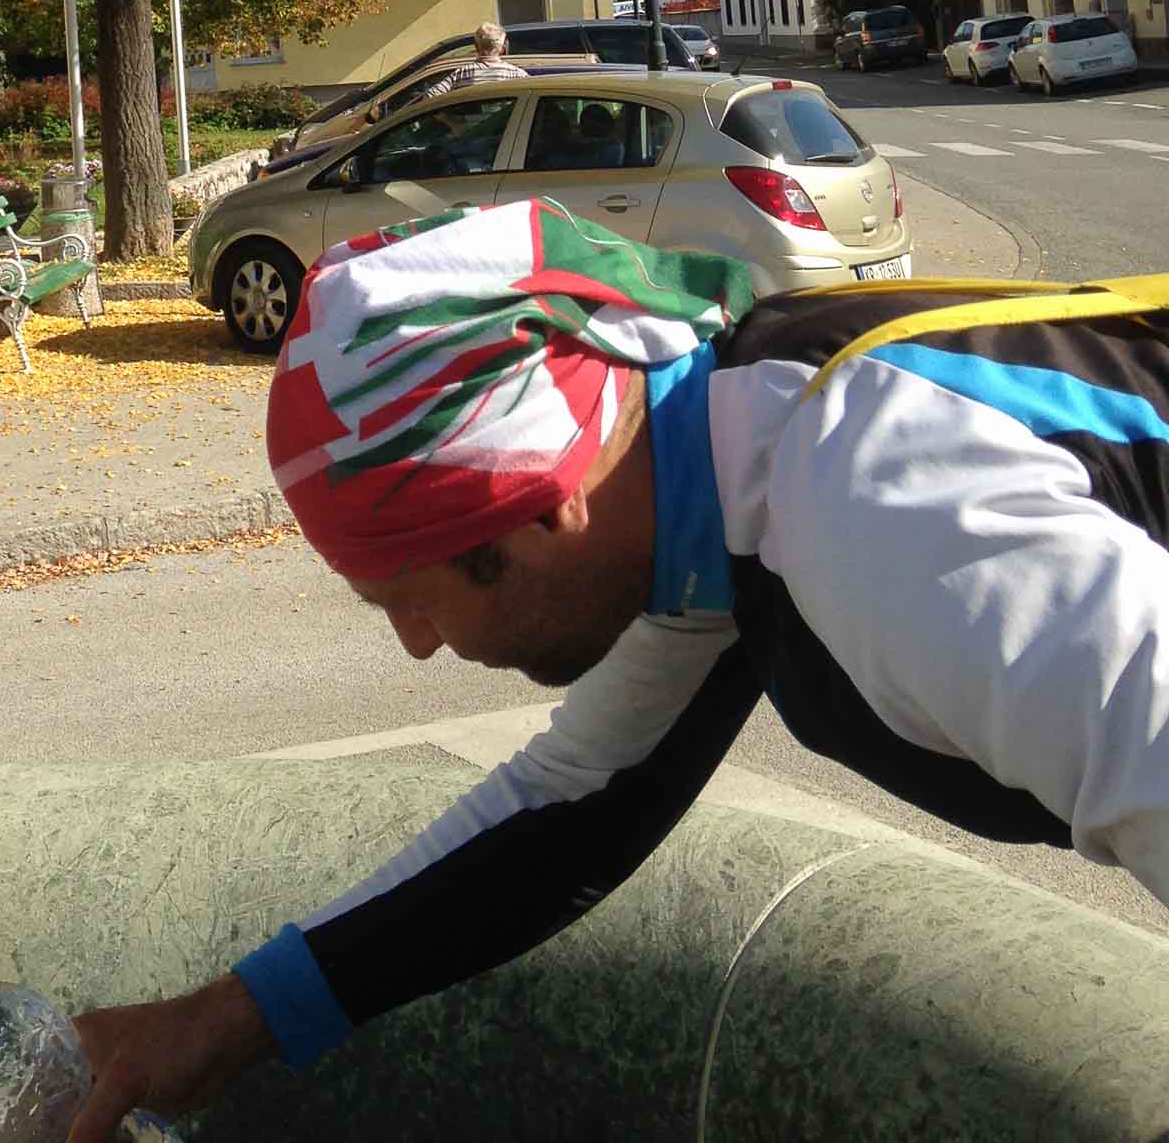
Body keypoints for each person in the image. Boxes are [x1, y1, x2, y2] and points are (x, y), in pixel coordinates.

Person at [65, 198, 1169, 1143]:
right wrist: (222, 1020)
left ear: (544, 501)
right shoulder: (722, 470)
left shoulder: (870, 509)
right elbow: (564, 811)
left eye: (409, 589)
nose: (415, 640)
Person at [418, 22, 520, 101]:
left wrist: (452, 123)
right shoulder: (515, 74)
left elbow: (429, 96)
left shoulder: (462, 73)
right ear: (503, 48)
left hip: (470, 128)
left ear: (476, 46)